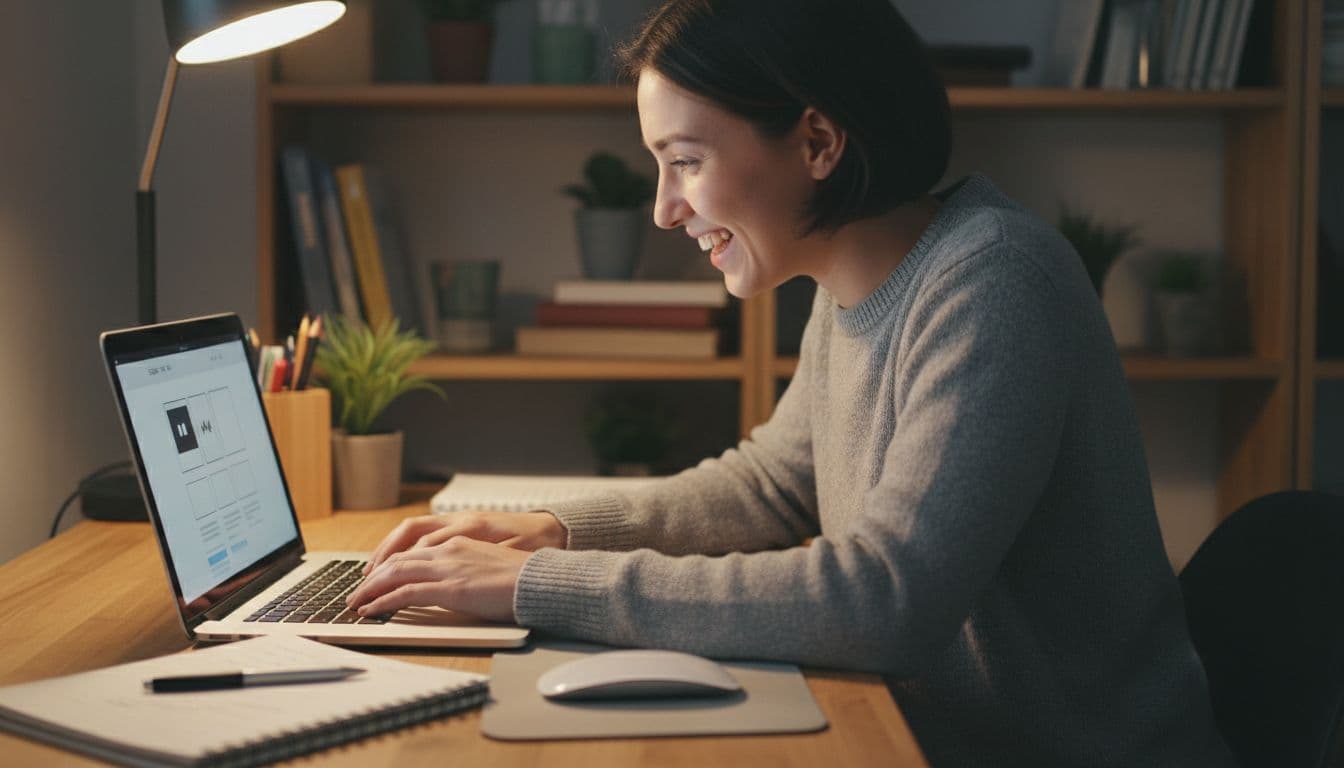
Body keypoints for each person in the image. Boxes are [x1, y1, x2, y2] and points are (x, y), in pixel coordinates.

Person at [347, 1, 1234, 764]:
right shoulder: (857, 278)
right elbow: (773, 485)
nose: (664, 206)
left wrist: (537, 583)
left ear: (816, 140)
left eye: (685, 160)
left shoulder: (994, 284)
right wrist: (558, 529)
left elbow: (883, 601)